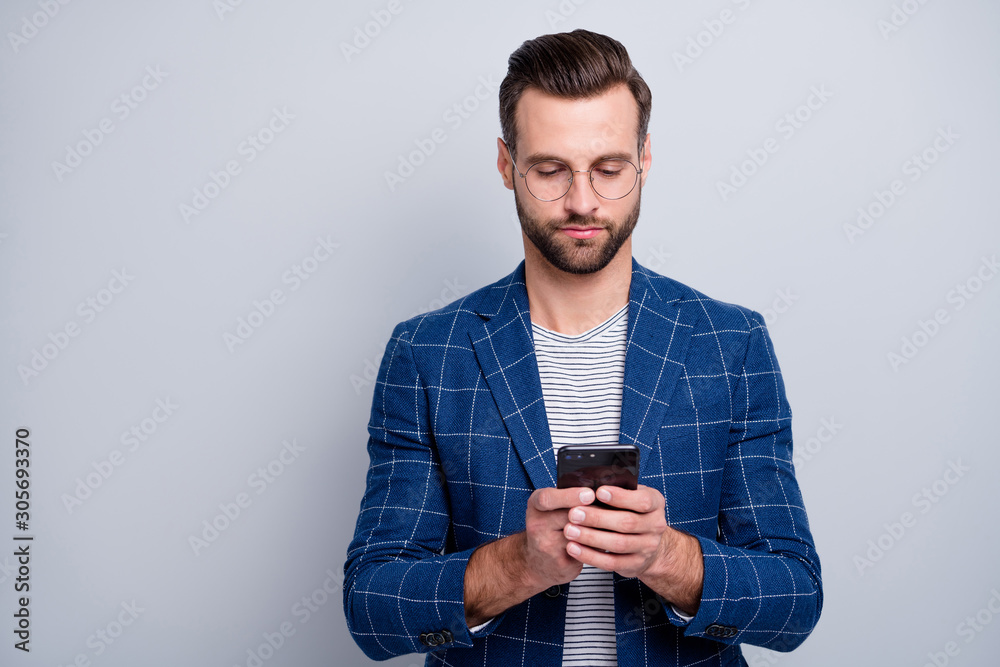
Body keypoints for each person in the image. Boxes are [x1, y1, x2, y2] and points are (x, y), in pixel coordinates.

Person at [344, 29, 822, 666]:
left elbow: (795, 599)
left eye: (609, 169)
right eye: (549, 170)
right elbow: (373, 610)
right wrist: (519, 563)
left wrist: (665, 557)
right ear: (506, 164)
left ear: (644, 161)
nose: (582, 202)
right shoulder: (429, 353)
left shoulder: (729, 343)